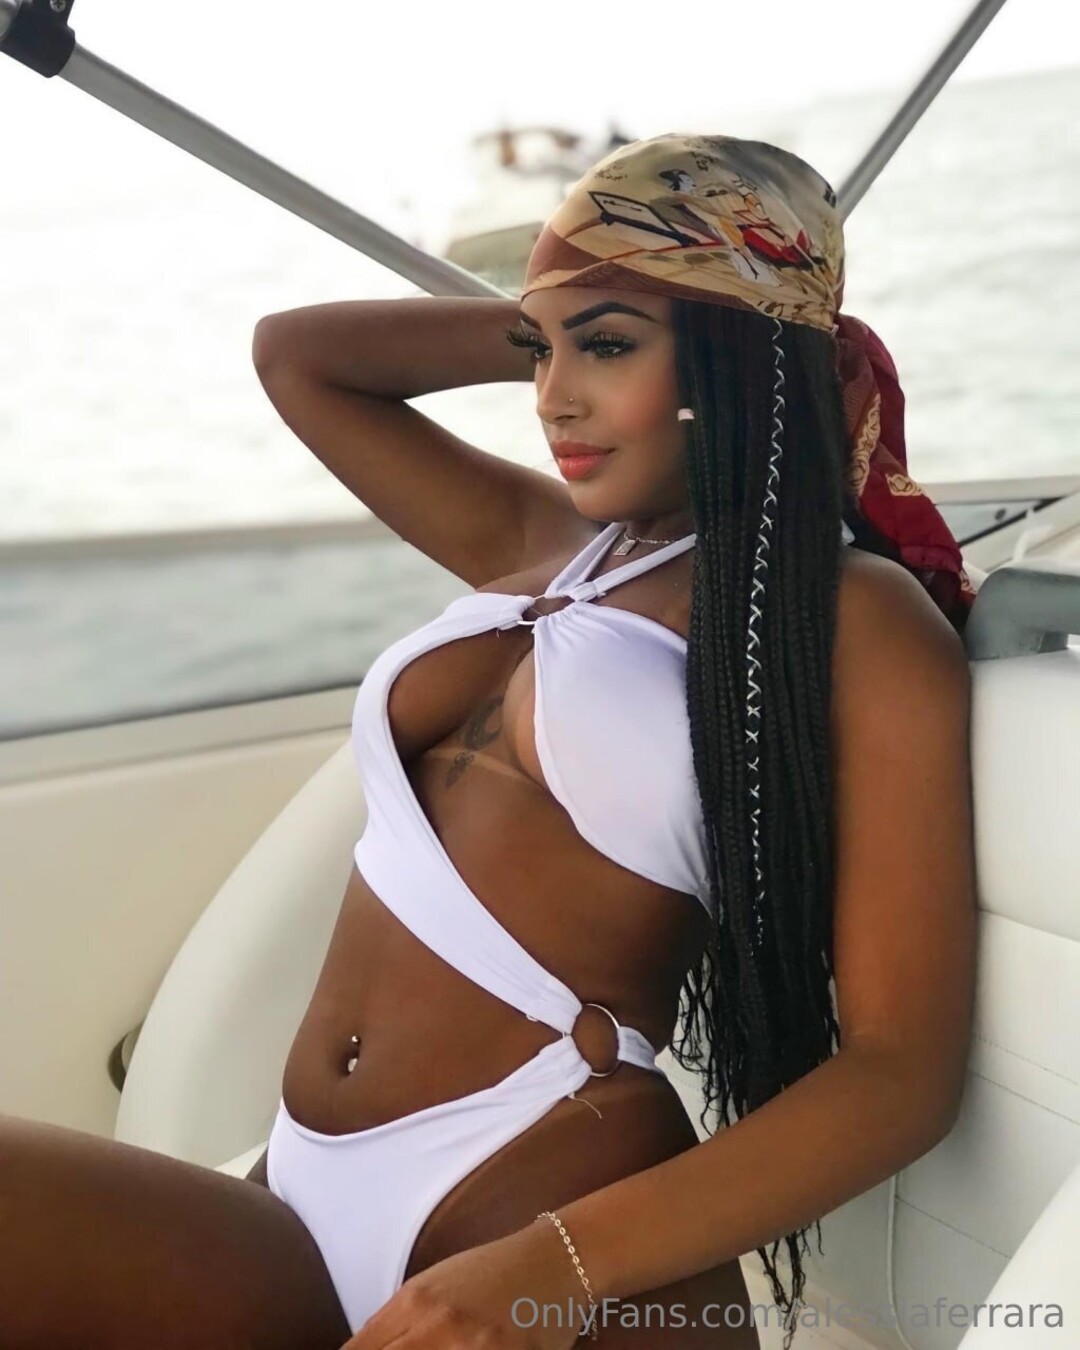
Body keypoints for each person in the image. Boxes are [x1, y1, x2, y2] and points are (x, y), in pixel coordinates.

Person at [0, 132, 977, 1350]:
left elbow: (899, 1072)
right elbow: (298, 357)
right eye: (540, 352)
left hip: (550, 1214)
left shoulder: (850, 618)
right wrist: (574, 306)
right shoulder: (548, 541)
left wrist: (549, 1268)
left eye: (605, 349)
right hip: (299, 1193)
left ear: (736, 357)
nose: (551, 396)